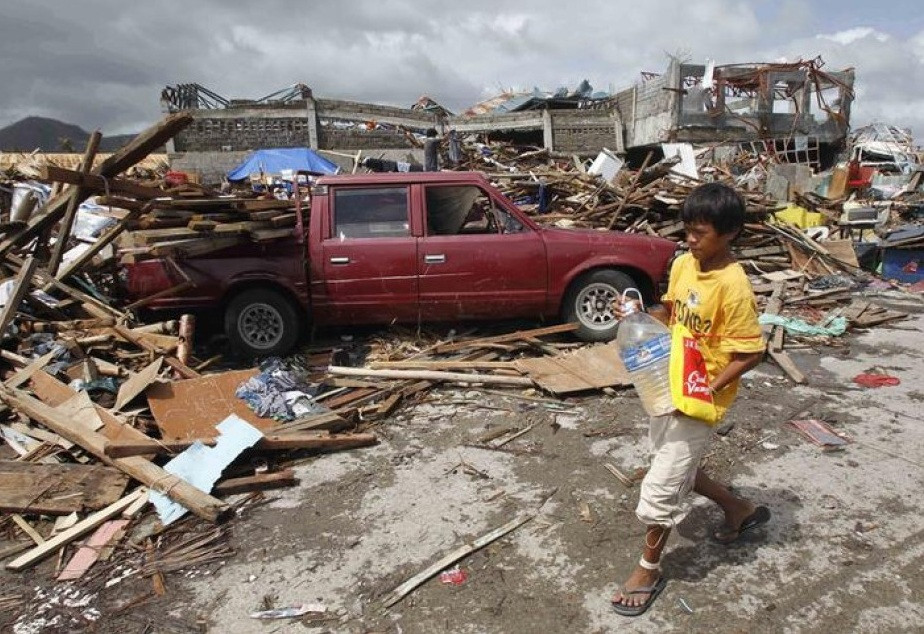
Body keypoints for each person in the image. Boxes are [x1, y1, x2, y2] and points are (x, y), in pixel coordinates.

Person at [610, 182, 770, 617]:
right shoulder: (683, 264)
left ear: (730, 232)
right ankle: (740, 509)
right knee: (674, 463)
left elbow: (752, 351)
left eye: (700, 233)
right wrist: (639, 314)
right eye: (688, 231)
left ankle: (648, 570)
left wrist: (708, 388)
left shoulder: (733, 285)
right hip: (669, 384)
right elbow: (671, 313)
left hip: (701, 399)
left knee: (661, 487)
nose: (691, 240)